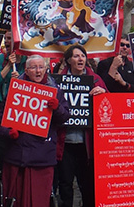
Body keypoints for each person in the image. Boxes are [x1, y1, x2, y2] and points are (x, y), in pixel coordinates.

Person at [0, 55, 70, 207]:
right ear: (26, 70)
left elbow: (65, 118)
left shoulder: (55, 90)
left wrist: (57, 108)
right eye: (33, 68)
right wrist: (8, 132)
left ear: (46, 70)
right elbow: (1, 119)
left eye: (41, 67)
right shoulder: (15, 89)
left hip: (42, 157)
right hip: (17, 155)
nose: (38, 71)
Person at [55, 45, 106, 207]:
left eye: (83, 56)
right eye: (76, 56)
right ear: (68, 60)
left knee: (88, 186)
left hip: (87, 146)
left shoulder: (96, 80)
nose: (80, 59)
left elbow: (109, 106)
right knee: (65, 186)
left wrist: (103, 94)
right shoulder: (57, 81)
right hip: (65, 144)